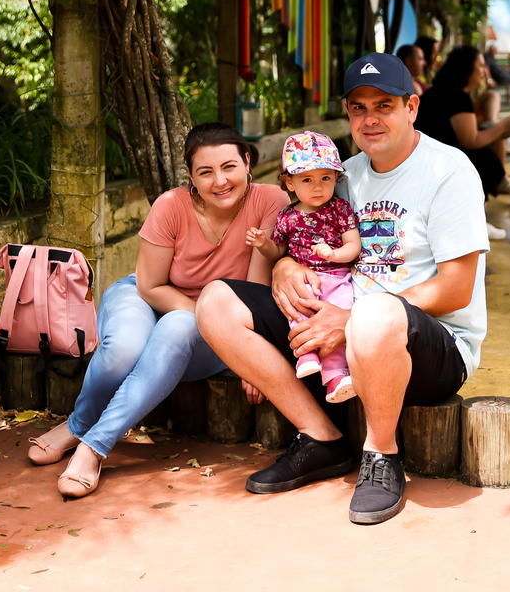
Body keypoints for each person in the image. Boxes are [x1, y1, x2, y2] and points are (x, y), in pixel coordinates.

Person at [196, 52, 488, 526]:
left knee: (375, 312)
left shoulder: (448, 171)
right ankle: (321, 439)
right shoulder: (340, 176)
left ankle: (381, 455)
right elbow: (300, 241)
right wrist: (284, 265)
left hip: (429, 347)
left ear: (412, 108)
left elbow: (457, 290)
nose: (370, 119)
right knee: (215, 302)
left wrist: (351, 320)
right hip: (339, 329)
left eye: (384, 105)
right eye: (358, 108)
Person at [27, 122, 290, 497]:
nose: (220, 181)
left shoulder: (270, 201)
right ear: (190, 177)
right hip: (148, 296)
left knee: (178, 327)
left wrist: (253, 353)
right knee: (125, 347)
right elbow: (150, 286)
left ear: (247, 162)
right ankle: (77, 425)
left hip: (213, 323)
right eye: (205, 172)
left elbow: (254, 292)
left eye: (229, 166)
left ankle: (93, 446)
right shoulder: (170, 205)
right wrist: (201, 311)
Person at [246, 131, 362, 403]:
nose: (318, 187)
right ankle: (306, 356)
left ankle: (335, 376)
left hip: (337, 277)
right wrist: (263, 244)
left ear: (336, 177)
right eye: (307, 180)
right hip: (303, 280)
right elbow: (278, 252)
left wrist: (334, 254)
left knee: (338, 315)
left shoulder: (340, 209)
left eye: (326, 178)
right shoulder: (287, 216)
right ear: (289, 182)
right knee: (298, 311)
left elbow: (353, 245)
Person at [415, 44, 510, 211]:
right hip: (430, 163)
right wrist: (504, 124)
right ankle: (475, 213)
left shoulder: (441, 92)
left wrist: (503, 130)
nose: (485, 71)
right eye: (480, 66)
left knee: (486, 146)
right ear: (466, 68)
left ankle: (498, 184)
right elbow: (471, 142)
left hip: (425, 157)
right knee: (482, 156)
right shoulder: (458, 97)